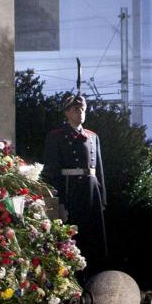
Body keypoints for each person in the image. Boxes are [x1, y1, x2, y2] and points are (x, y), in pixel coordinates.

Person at [43, 92, 108, 278]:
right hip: (70, 190)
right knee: (72, 237)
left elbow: (99, 169)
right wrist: (57, 201)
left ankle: (94, 276)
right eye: (76, 110)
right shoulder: (56, 136)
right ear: (67, 112)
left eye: (83, 110)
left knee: (93, 237)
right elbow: (52, 170)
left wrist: (102, 198)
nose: (81, 113)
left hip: (91, 191)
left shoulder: (92, 136)